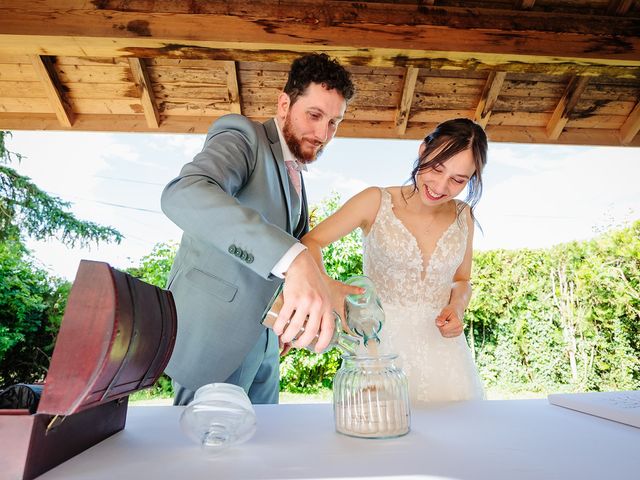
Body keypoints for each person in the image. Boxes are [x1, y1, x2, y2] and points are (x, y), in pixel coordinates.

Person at [161, 53, 359, 405]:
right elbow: (185, 194)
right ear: (284, 104)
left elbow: (281, 261)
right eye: (314, 115)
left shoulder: (297, 174)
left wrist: (323, 289)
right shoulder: (243, 136)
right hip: (215, 337)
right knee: (204, 456)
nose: (323, 134)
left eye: (334, 122)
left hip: (268, 342)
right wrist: (295, 258)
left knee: (262, 450)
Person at [302, 118, 488, 403]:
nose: (440, 186)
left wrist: (457, 307)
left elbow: (462, 279)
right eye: (437, 168)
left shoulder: (464, 216)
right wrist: (329, 288)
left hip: (446, 355)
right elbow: (310, 243)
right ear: (423, 150)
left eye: (458, 180)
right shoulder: (375, 201)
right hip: (380, 348)